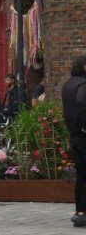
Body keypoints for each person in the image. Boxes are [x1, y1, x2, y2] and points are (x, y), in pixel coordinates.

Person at [61, 56, 86, 227]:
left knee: (82, 174)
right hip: (83, 133)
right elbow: (82, 103)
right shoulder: (83, 84)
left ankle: (80, 211)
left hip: (74, 133)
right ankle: (82, 212)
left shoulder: (67, 84)